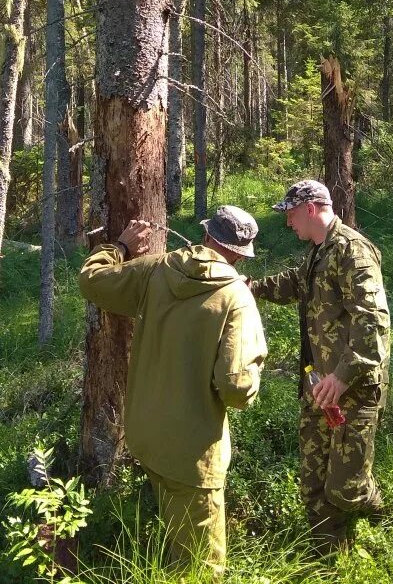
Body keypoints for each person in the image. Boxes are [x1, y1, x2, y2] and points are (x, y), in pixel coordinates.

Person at [78, 205, 267, 577]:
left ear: (207, 234)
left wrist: (119, 246)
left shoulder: (157, 268)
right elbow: (237, 389)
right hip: (192, 453)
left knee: (174, 537)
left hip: (146, 436)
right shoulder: (236, 298)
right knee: (203, 568)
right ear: (241, 252)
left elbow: (92, 279)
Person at [248, 179, 390, 554]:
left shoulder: (352, 251)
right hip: (318, 387)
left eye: (291, 214)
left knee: (346, 488)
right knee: (313, 486)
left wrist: (343, 377)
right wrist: (254, 288)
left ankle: (383, 520)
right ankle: (330, 560)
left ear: (311, 209)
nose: (288, 222)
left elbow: (372, 321)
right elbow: (298, 283)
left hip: (353, 389)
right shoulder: (317, 251)